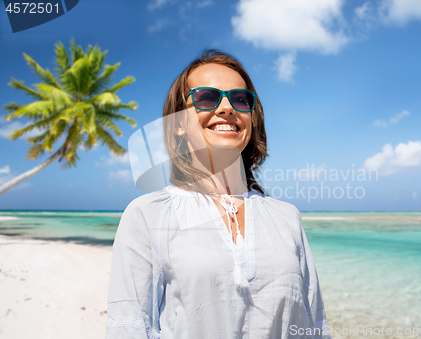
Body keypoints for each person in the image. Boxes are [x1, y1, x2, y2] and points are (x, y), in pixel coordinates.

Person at [105, 50, 331, 339]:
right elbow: (129, 327)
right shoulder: (148, 214)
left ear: (252, 118)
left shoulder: (287, 217)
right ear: (177, 126)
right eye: (207, 97)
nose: (227, 107)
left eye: (240, 99)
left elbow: (314, 327)